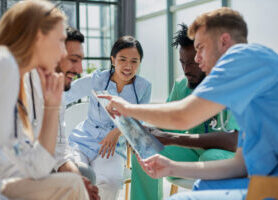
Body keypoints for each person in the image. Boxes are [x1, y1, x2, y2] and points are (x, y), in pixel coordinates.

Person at [100, 7, 278, 199]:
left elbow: (181, 117)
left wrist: (127, 108)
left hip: (267, 186)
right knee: (195, 189)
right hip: (260, 182)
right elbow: (240, 165)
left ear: (224, 41)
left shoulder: (245, 58)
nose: (196, 58)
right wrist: (172, 167)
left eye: (201, 47)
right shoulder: (250, 95)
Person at [130, 23, 239, 200]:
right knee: (146, 150)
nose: (187, 70)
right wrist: (145, 133)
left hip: (230, 156)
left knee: (211, 157)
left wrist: (170, 138)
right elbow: (168, 126)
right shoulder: (183, 85)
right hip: (194, 152)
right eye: (182, 62)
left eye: (193, 63)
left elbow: (235, 141)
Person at [0, 1, 89, 199]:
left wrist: (51, 107)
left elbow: (36, 168)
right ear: (38, 37)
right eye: (61, 40)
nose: (63, 52)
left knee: (72, 184)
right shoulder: (1, 64)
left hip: (2, 183)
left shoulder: (15, 78)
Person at [64, 35, 151, 200]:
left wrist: (117, 132)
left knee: (111, 181)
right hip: (84, 139)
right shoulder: (98, 79)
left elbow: (140, 118)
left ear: (139, 63)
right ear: (113, 60)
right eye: (122, 59)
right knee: (75, 173)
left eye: (134, 61)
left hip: (112, 147)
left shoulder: (143, 87)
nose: (128, 66)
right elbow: (65, 95)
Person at [25, 26, 99, 198]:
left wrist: (79, 183)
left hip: (41, 168)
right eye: (74, 60)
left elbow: (60, 149)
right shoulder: (21, 87)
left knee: (85, 175)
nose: (80, 69)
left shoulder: (57, 91)